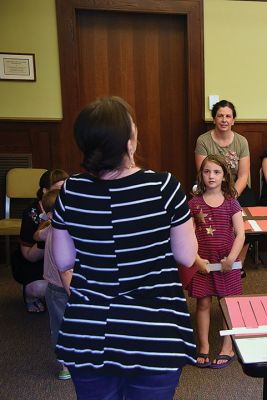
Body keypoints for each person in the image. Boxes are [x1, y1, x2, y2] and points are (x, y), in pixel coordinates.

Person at [51, 96, 198, 400]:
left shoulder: (70, 190)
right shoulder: (163, 187)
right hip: (153, 332)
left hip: (89, 330)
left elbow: (63, 259)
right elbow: (185, 255)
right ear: (129, 141)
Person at [186, 154, 245, 369]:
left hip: (226, 264)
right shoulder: (194, 203)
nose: (211, 176)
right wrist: (196, 259)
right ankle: (203, 346)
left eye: (216, 172)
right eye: (207, 171)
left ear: (224, 176)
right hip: (203, 264)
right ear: (201, 175)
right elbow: (188, 236)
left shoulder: (231, 203)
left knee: (228, 304)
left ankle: (227, 347)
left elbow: (240, 235)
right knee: (203, 303)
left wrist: (231, 259)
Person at [11, 169, 69, 313]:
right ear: (45, 191)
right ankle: (29, 295)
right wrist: (47, 238)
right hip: (35, 263)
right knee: (42, 287)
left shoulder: (70, 207)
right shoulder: (32, 213)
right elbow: (29, 256)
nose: (63, 194)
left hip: (58, 261)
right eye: (58, 189)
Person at [34, 188, 72, 380]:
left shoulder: (51, 227)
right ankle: (67, 365)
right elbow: (65, 270)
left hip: (53, 289)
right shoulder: (67, 232)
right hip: (64, 288)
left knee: (59, 326)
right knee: (67, 326)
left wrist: (45, 222)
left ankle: (65, 365)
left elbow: (36, 236)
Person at [195, 100, 256, 207]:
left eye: (228, 116)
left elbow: (243, 175)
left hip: (235, 188)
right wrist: (218, 196)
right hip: (209, 186)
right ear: (214, 119)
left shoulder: (242, 141)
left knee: (249, 204)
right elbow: (203, 172)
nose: (224, 120)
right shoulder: (203, 141)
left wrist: (231, 197)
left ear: (233, 121)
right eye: (220, 116)